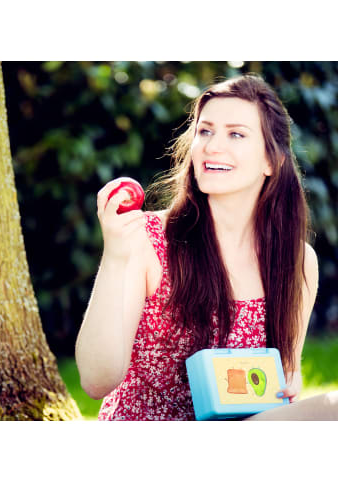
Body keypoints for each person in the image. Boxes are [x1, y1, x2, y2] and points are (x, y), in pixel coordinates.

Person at [75, 73, 338, 420]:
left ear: (270, 162)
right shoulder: (148, 239)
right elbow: (96, 381)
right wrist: (116, 255)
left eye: (236, 134)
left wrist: (289, 382)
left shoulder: (298, 261)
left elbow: (286, 375)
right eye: (205, 130)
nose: (213, 145)